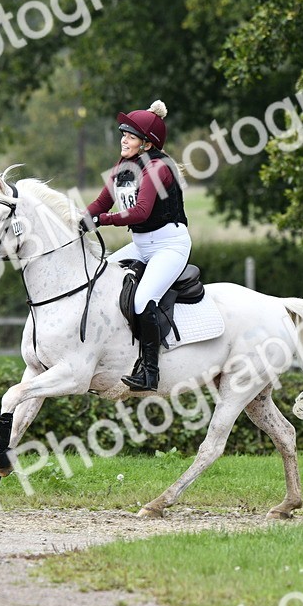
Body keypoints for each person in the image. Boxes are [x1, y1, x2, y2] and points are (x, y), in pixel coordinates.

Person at [78, 100, 190, 391]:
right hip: (141, 245)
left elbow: (140, 211)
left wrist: (102, 220)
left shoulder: (158, 169)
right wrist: (83, 217)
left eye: (129, 135)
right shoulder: (124, 166)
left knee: (142, 300)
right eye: (123, 133)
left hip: (169, 246)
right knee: (100, 277)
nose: (123, 139)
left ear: (147, 143)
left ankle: (150, 372)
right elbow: (103, 200)